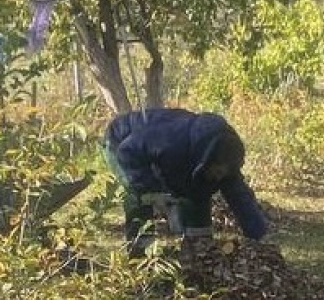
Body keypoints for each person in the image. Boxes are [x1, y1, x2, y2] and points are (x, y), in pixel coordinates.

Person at [103, 108, 269, 256]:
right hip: (123, 142)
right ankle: (139, 256)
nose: (219, 178)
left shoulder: (224, 162)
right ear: (208, 160)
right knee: (139, 197)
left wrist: (259, 236)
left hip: (167, 155)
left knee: (198, 192)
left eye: (223, 174)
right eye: (217, 171)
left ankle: (199, 253)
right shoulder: (173, 142)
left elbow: (241, 199)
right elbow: (127, 152)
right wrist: (153, 192)